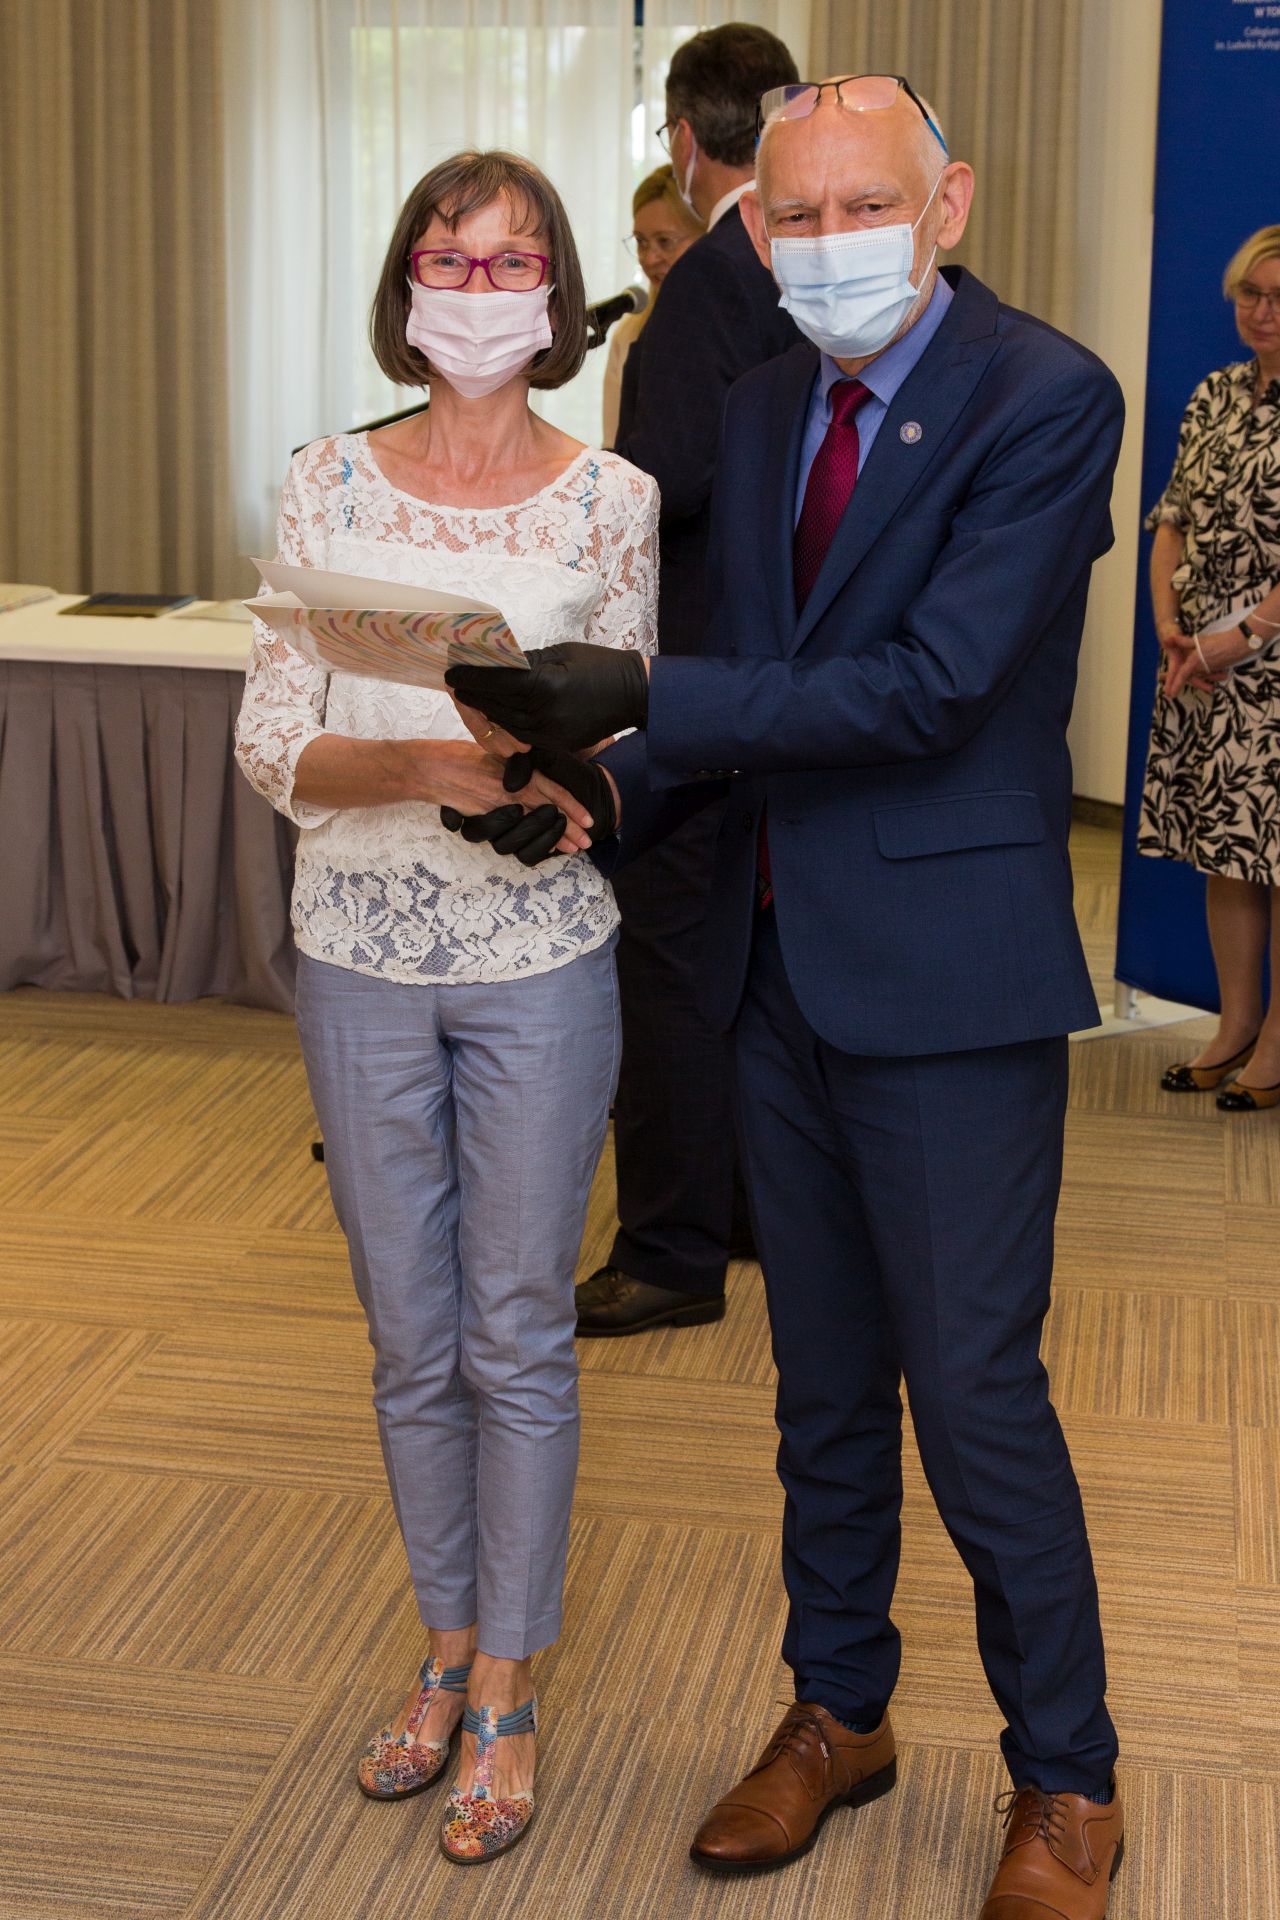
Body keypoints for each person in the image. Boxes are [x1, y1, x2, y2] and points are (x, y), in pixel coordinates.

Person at [447, 76, 1128, 1919]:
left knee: (973, 1397)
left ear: (949, 205)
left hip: (947, 980)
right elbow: (748, 681)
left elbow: (931, 688)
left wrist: (646, 695)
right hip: (773, 968)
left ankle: (1068, 1773)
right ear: (754, 229)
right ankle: (841, 1709)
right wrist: (600, 796)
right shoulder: (758, 409)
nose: (828, 244)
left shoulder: (1046, 396)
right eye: (796, 217)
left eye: (864, 207)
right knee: (820, 1387)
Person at [234, 149, 657, 1866]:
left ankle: (506, 1683)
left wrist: (564, 782)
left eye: (514, 263)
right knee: (410, 1336)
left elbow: (631, 740)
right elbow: (273, 742)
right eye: (451, 259)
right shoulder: (325, 481)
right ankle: (439, 1638)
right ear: (406, 285)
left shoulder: (610, 498)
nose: (481, 291)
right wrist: (426, 762)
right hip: (357, 945)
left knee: (515, 1328)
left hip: (540, 957)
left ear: (556, 298)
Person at [578, 22, 801, 1339]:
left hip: (700, 685)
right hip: (793, 686)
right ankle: (745, 1207)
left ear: (681, 140)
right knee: (754, 965)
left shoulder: (705, 290)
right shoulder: (809, 265)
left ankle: (668, 1247)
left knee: (664, 963)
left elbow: (659, 497)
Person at [1139, 225, 1280, 1110]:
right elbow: (1172, 519)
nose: (1262, 312)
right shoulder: (1215, 394)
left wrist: (1247, 634)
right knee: (1226, 851)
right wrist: (1171, 627)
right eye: (1250, 294)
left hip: (1269, 662)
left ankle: (1276, 1050)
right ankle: (1235, 1026)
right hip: (1206, 665)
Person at [601, 165, 703, 447]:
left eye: (664, 241)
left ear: (706, 238)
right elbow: (613, 444)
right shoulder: (628, 333)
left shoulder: (724, 332)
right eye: (641, 242)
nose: (649, 258)